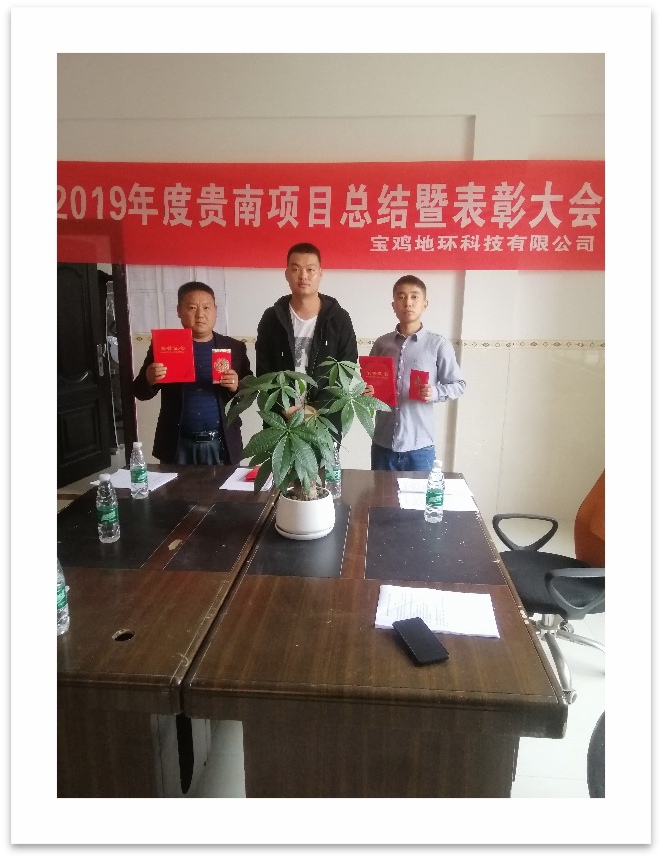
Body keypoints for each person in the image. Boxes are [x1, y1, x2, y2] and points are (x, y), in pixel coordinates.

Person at [133, 281, 252, 465]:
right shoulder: (165, 346)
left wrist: (237, 387)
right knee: (176, 486)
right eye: (192, 308)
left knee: (223, 486)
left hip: (222, 444)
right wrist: (149, 379)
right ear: (179, 311)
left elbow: (250, 393)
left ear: (215, 310)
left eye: (206, 307)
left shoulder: (235, 347)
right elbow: (140, 392)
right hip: (177, 445)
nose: (200, 314)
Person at [368, 274, 466, 472]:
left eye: (414, 297)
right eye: (401, 297)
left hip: (420, 448)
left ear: (425, 304)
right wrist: (368, 392)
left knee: (421, 494)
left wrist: (434, 392)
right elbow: (371, 385)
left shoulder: (438, 345)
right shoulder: (381, 344)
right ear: (393, 305)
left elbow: (459, 385)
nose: (408, 303)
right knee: (380, 493)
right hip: (382, 444)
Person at [255, 242, 358, 420]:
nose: (303, 276)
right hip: (281, 420)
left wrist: (315, 409)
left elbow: (346, 369)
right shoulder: (272, 318)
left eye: (310, 269)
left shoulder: (339, 319)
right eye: (296, 269)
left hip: (324, 418)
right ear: (287, 274)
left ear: (320, 273)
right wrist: (284, 408)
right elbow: (264, 370)